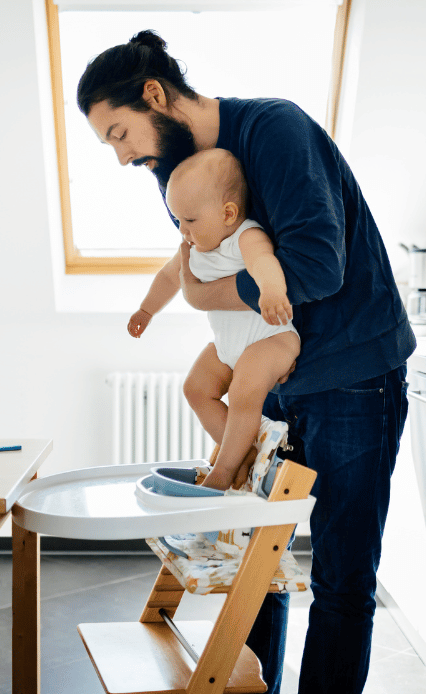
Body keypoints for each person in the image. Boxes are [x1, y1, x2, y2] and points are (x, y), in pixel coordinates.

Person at [78, 30, 415, 694]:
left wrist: (203, 298)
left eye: (120, 134)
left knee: (343, 581)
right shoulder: (178, 171)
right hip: (278, 375)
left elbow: (316, 270)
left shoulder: (276, 131)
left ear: (155, 95)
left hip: (354, 375)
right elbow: (197, 262)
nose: (122, 156)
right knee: (256, 563)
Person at [128, 148, 300, 490]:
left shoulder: (245, 236)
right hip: (228, 346)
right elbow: (168, 278)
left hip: (272, 339)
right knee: (195, 388)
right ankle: (244, 453)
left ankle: (224, 469)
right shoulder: (192, 250)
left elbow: (263, 262)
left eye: (190, 221)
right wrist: (146, 310)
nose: (183, 230)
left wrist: (271, 290)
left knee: (242, 392)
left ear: (228, 213)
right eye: (178, 220)